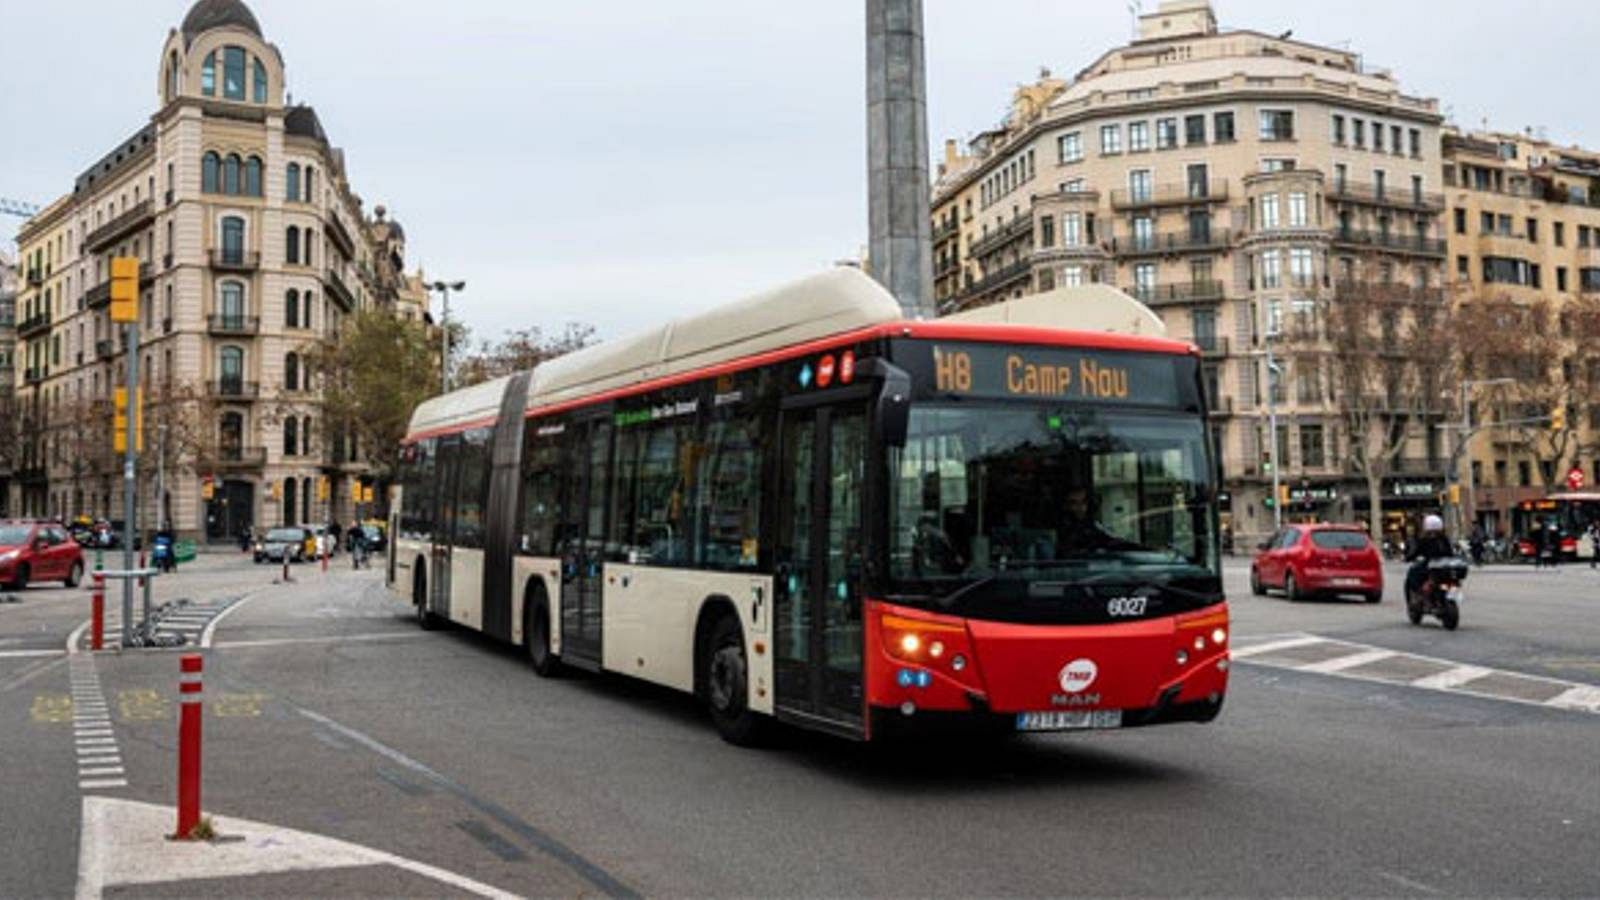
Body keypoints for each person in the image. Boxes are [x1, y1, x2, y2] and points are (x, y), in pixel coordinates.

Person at [1404, 514, 1454, 599]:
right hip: (1444, 566)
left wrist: (1408, 558)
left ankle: (1419, 593)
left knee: (1412, 573)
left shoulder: (1425, 540)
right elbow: (1450, 553)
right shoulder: (1444, 539)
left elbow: (1416, 552)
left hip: (1431, 566)